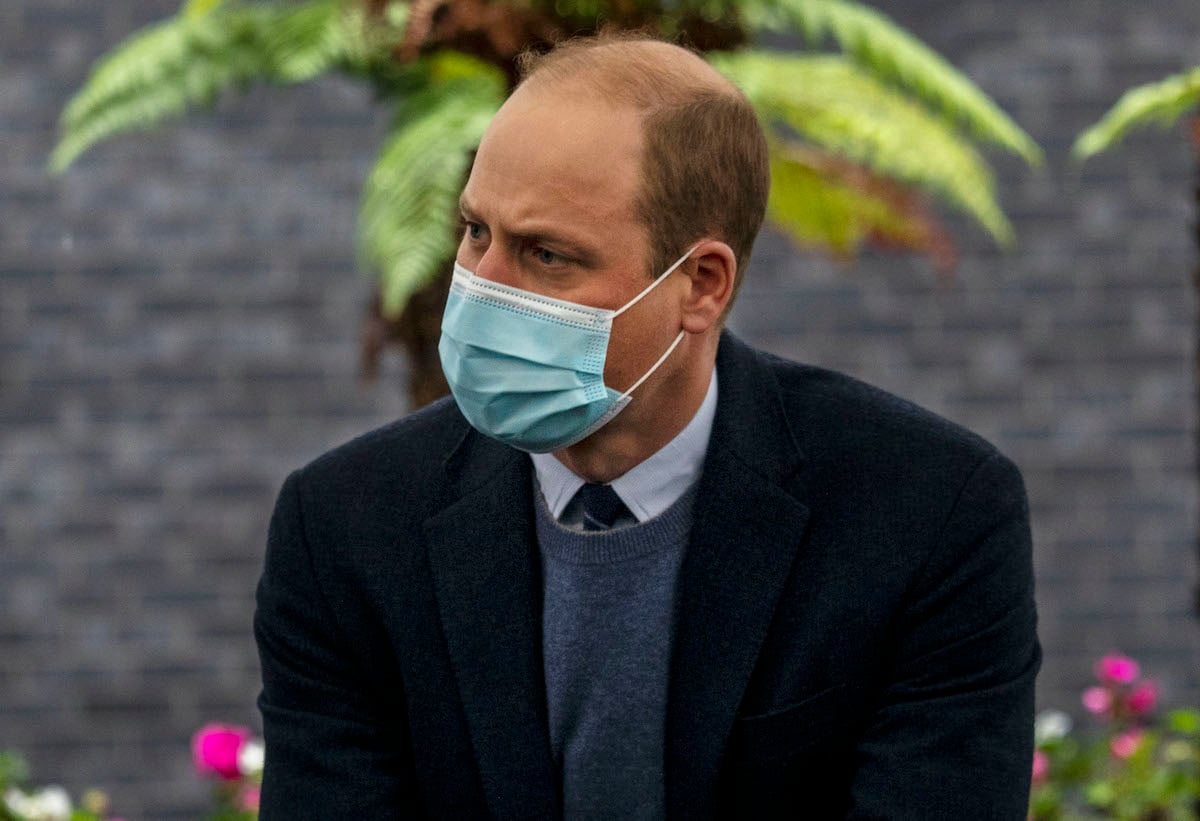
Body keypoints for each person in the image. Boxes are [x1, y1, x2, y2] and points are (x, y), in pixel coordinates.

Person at [254, 34, 1040, 819]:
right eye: (476, 231)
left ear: (701, 284)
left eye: (547, 254)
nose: (479, 287)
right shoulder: (345, 529)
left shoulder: (928, 515)